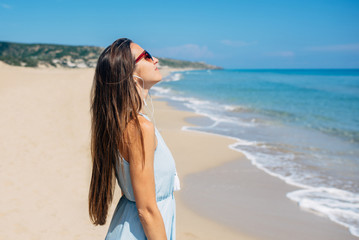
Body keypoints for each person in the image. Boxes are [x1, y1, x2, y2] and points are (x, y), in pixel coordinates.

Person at [88, 38, 180, 240]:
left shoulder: (119, 122)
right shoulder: (139, 129)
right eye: (147, 56)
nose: (155, 59)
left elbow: (129, 192)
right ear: (129, 73)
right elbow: (146, 210)